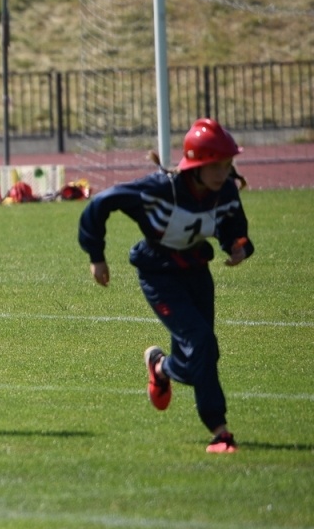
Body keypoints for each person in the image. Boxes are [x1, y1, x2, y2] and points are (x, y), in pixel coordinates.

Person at [78, 118, 252, 454]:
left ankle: (160, 366)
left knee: (205, 352)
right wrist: (96, 256)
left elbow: (234, 223)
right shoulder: (159, 189)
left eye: (227, 164)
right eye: (214, 165)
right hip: (158, 275)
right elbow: (101, 204)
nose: (222, 172)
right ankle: (220, 432)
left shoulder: (225, 190)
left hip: (197, 273)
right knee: (201, 341)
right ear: (195, 165)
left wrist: (237, 245)